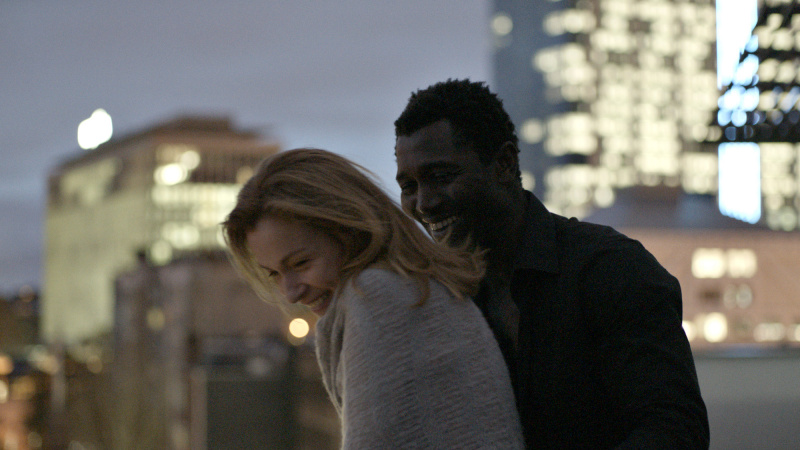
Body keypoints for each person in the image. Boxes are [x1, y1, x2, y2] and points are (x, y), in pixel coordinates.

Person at [394, 79, 710, 448]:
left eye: (440, 177)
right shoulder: (437, 296)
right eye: (409, 186)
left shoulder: (611, 268)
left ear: (504, 164)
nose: (423, 203)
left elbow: (674, 429)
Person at [222, 148, 524, 449]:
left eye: (301, 263)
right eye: (274, 274)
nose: (290, 293)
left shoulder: (379, 296)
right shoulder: (411, 290)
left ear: (350, 229)